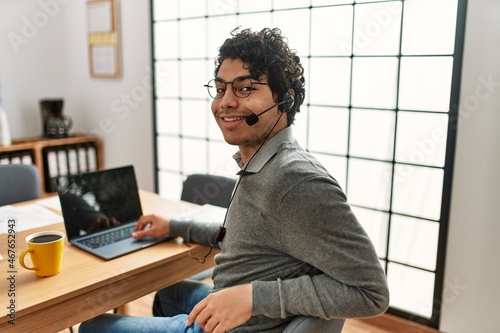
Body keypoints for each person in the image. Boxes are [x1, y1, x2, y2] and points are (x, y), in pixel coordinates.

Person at [79, 27, 389, 333]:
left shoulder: (295, 181)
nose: (224, 102)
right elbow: (244, 237)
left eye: (244, 88)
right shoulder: (263, 164)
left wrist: (252, 298)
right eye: (220, 88)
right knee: (169, 295)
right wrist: (172, 226)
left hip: (245, 324)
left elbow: (372, 293)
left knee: (93, 326)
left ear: (286, 99)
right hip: (234, 303)